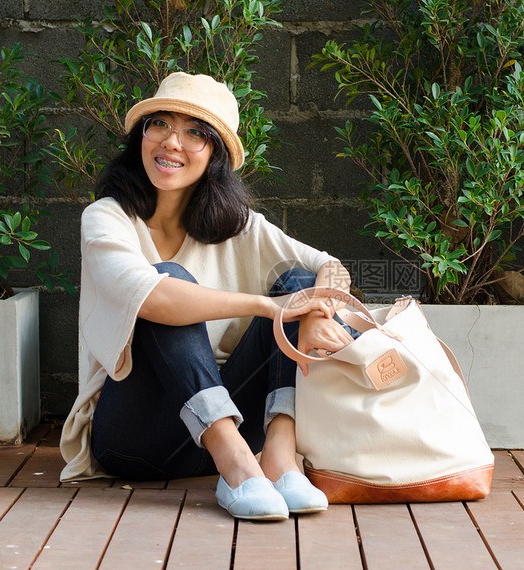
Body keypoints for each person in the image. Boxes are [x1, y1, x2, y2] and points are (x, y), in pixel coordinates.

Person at [59, 72, 354, 521]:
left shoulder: (238, 225)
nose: (172, 143)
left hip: (235, 427)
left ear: (215, 153)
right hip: (136, 440)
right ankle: (236, 464)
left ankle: (277, 457)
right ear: (141, 135)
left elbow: (328, 266)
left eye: (195, 133)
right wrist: (266, 306)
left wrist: (316, 311)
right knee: (165, 279)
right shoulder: (107, 219)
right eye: (159, 124)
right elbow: (155, 298)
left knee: (296, 281)